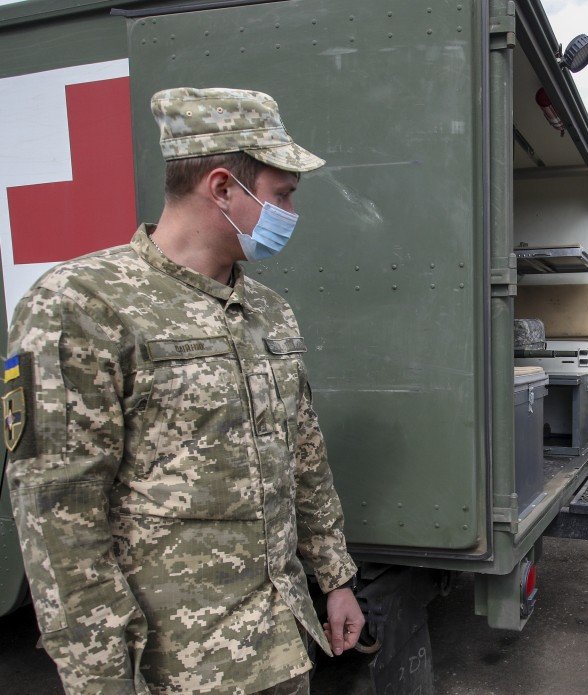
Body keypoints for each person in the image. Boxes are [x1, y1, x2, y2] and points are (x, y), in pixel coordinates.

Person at [3, 88, 363, 694]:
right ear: (223, 188)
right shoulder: (82, 304)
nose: (291, 212)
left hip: (282, 644)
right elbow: (60, 519)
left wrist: (336, 578)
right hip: (177, 667)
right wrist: (102, 680)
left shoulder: (268, 312)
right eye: (283, 195)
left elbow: (303, 456)